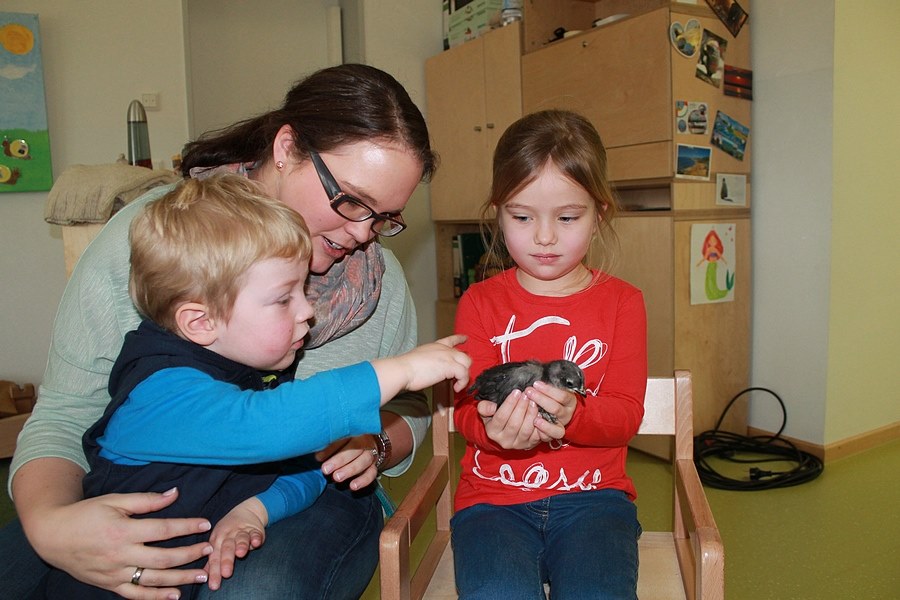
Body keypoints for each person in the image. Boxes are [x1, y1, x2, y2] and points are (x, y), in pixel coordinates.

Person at [3, 64, 447, 600]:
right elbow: (65, 414)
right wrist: (52, 526)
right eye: (351, 200)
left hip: (304, 489)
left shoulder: (379, 281)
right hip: (160, 484)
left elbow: (412, 410)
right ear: (286, 148)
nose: (361, 233)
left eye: (384, 218)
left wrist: (375, 444)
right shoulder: (160, 238)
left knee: (253, 588)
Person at [40, 175, 470, 599]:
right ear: (200, 322)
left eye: (302, 291)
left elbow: (309, 463)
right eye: (284, 299)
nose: (307, 311)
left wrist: (256, 509)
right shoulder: (161, 393)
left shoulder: (244, 371)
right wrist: (396, 372)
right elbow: (272, 426)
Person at [450, 110, 648, 599]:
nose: (543, 237)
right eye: (522, 217)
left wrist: (575, 414)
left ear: (599, 215)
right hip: (492, 502)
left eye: (567, 218)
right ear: (498, 212)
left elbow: (625, 416)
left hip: (596, 501)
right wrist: (491, 430)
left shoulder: (624, 302)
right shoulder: (479, 302)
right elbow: (465, 410)